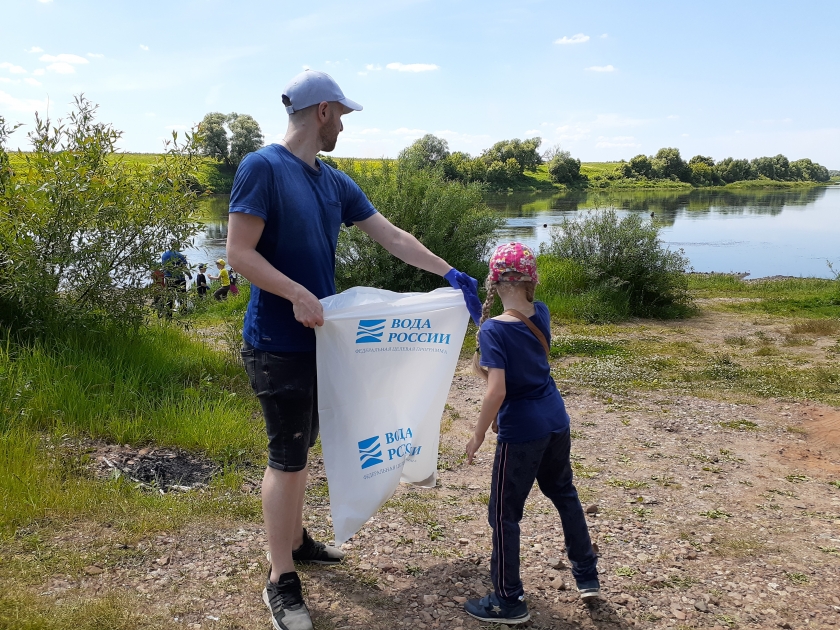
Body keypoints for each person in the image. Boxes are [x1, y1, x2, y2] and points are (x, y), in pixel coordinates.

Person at [226, 69, 482, 630]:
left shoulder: (332, 180)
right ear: (322, 111)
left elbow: (390, 236)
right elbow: (238, 254)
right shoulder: (261, 168)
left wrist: (449, 273)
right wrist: (295, 292)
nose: (344, 124)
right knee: (288, 454)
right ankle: (280, 578)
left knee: (308, 442)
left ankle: (295, 539)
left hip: (323, 341)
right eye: (342, 114)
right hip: (277, 342)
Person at [463, 242, 599, 625]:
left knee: (503, 515)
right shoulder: (541, 312)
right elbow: (523, 371)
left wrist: (478, 435)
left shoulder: (493, 329)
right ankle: (586, 575)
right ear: (530, 278)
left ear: (494, 280)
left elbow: (498, 389)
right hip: (556, 421)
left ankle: (508, 601)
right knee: (564, 493)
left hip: (522, 432)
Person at [161, 246, 192, 316]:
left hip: (169, 279)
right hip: (180, 278)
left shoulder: (164, 255)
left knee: (170, 297)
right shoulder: (179, 255)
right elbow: (184, 267)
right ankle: (183, 313)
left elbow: (164, 267)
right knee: (182, 297)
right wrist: (189, 275)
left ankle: (169, 315)